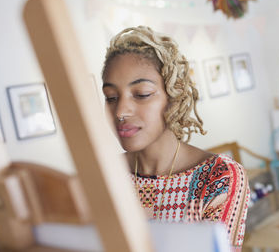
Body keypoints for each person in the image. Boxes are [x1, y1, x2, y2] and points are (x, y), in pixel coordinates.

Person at [101, 26, 249, 251]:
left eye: (141, 94)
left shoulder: (219, 177)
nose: (120, 111)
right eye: (111, 97)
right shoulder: (106, 174)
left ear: (173, 97)